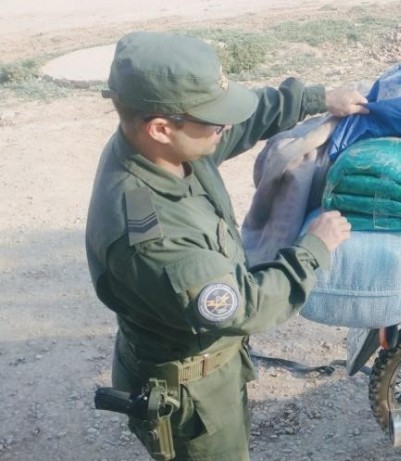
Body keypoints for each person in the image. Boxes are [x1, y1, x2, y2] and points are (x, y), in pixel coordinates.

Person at [85, 31, 368, 460]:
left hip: (208, 368)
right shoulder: (156, 240)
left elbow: (242, 123)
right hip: (190, 397)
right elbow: (246, 307)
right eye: (215, 122)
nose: (225, 129)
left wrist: (316, 98)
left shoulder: (159, 144)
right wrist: (313, 247)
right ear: (161, 127)